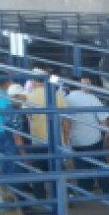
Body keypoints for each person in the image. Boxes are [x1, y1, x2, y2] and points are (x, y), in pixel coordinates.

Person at [23, 72, 69, 201]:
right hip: (55, 139)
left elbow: (28, 117)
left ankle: (40, 196)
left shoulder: (29, 96)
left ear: (34, 82)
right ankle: (63, 195)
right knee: (58, 168)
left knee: (38, 169)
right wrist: (66, 136)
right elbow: (65, 119)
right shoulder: (57, 96)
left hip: (37, 138)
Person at [64, 77, 109, 194]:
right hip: (93, 138)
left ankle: (85, 189)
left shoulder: (66, 99)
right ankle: (106, 188)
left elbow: (65, 121)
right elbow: (103, 117)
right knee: (99, 163)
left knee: (80, 165)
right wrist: (107, 132)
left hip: (76, 139)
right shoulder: (91, 98)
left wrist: (66, 137)